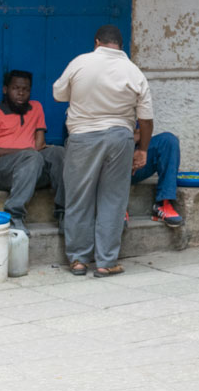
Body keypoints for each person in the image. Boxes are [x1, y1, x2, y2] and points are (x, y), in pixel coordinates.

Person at [53, 25, 153, 278]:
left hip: (83, 137)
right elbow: (146, 119)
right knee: (113, 200)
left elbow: (58, 94)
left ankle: (77, 259)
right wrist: (142, 149)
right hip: (120, 138)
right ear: (121, 45)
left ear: (97, 41)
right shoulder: (134, 71)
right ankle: (106, 262)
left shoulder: (80, 62)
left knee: (78, 198)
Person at [0, 70, 65, 232]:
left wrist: (29, 153)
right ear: (5, 90)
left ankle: (64, 212)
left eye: (26, 89)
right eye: (15, 88)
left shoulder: (36, 108)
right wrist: (22, 152)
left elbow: (39, 145)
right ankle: (14, 215)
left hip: (32, 169)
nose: (21, 93)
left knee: (58, 153)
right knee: (31, 155)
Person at [131, 129, 183, 226]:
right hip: (112, 165)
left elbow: (142, 131)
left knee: (168, 141)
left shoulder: (140, 114)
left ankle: (164, 204)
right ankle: (115, 208)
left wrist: (140, 149)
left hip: (135, 161)